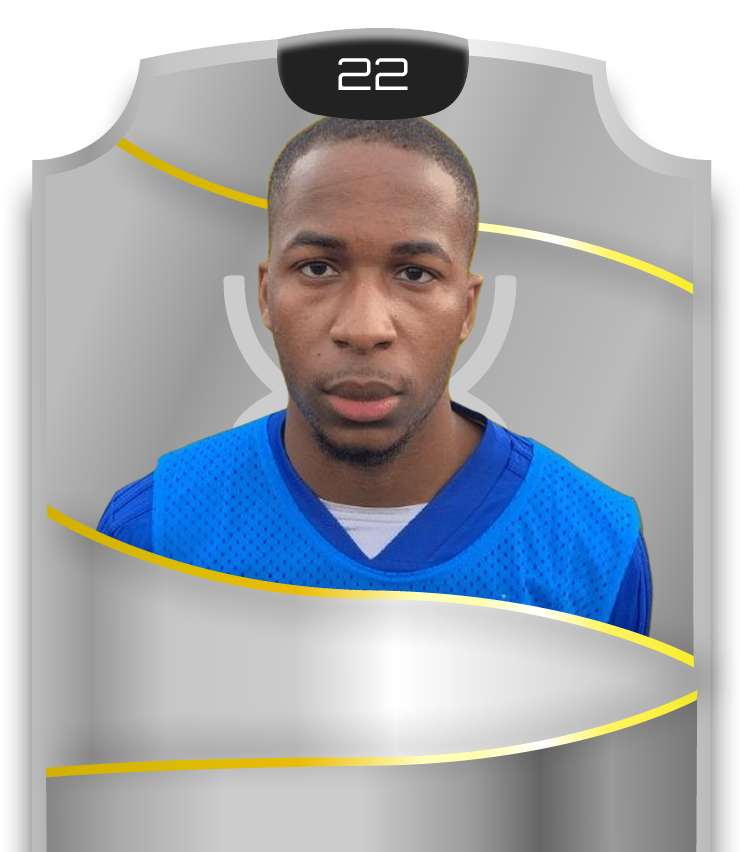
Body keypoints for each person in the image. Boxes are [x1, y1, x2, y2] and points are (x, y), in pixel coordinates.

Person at [98, 117, 652, 633]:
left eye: (415, 273)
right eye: (318, 268)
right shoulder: (155, 531)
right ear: (266, 296)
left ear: (466, 307)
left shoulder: (594, 544)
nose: (364, 329)